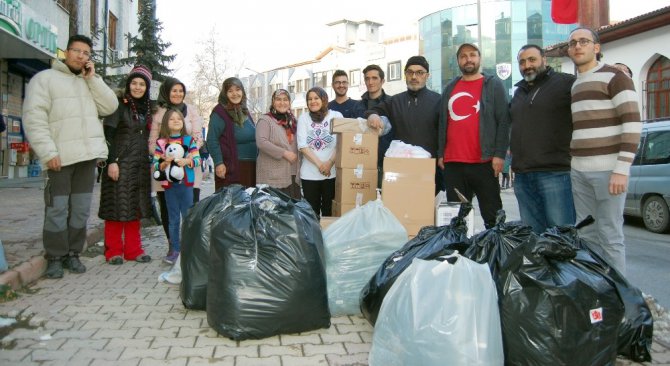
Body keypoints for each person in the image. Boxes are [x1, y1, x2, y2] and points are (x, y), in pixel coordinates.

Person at [22, 34, 118, 279]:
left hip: (86, 158)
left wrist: (93, 79)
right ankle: (54, 256)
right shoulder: (44, 80)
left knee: (80, 210)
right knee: (57, 208)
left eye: (86, 53)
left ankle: (73, 254)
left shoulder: (89, 82)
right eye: (77, 51)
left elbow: (110, 107)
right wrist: (48, 152)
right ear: (66, 52)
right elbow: (35, 118)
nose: (81, 56)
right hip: (60, 159)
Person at [567, 27, 642, 274]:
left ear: (596, 48)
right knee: (586, 234)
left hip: (609, 172)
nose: (577, 46)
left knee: (610, 235)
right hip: (579, 172)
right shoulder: (576, 84)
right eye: (573, 43)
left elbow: (631, 124)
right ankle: (596, 290)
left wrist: (621, 169)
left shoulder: (615, 77)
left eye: (583, 41)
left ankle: (621, 298)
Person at [437, 43, 510, 229]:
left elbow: (504, 121)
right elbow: (442, 122)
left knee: (493, 216)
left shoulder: (493, 85)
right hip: (453, 163)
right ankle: (460, 255)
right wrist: (440, 153)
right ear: (458, 61)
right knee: (457, 220)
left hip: (484, 162)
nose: (468, 59)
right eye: (463, 56)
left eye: (472, 55)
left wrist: (499, 154)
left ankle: (496, 254)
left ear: (479, 59)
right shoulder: (450, 88)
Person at [509, 44, 576, 233]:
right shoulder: (519, 92)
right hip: (523, 176)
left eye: (532, 60)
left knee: (561, 237)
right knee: (533, 237)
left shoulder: (565, 83)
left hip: (554, 174)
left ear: (544, 61)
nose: (527, 65)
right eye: (522, 62)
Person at [98, 65, 154, 265]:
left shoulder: (147, 109)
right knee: (116, 207)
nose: (138, 87)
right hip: (119, 164)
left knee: (135, 209)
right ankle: (113, 251)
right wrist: (111, 161)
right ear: (128, 84)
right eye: (134, 83)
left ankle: (133, 250)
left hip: (139, 166)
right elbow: (109, 134)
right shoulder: (118, 105)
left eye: (142, 84)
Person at [366, 56, 442, 190]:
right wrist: (373, 116)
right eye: (410, 72)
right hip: (400, 168)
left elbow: (446, 132)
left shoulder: (438, 101)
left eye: (419, 72)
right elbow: (373, 110)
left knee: (427, 208)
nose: (414, 76)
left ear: (427, 76)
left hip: (430, 168)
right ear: (405, 75)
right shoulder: (395, 101)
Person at [148, 77, 203, 258]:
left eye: (181, 90)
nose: (178, 94)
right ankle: (173, 245)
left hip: (188, 171)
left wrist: (187, 156)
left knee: (190, 210)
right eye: (174, 90)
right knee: (168, 211)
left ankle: (189, 246)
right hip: (166, 174)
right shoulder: (158, 113)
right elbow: (152, 142)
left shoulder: (192, 111)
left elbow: (197, 137)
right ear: (166, 91)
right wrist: (164, 156)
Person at [152, 109, 200, 265]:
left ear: (183, 122)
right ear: (166, 122)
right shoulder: (161, 143)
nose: (175, 121)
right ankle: (175, 250)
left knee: (187, 217)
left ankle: (189, 249)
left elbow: (197, 159)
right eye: (171, 119)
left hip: (186, 185)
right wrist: (164, 163)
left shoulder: (189, 140)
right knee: (173, 219)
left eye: (179, 118)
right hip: (169, 186)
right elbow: (155, 164)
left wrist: (187, 162)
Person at [297, 87, 343, 217]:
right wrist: (321, 165)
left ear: (324, 99)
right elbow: (302, 146)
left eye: (316, 98)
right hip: (309, 175)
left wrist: (329, 163)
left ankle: (327, 237)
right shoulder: (303, 118)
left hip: (331, 173)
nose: (313, 101)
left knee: (329, 211)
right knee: (311, 213)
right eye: (309, 99)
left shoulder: (336, 116)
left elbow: (341, 144)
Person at [207, 77, 258, 191]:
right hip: (232, 168)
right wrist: (219, 163)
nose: (235, 94)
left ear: (242, 91)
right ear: (225, 94)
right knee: (234, 204)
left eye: (238, 89)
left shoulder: (244, 110)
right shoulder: (219, 112)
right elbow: (212, 140)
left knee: (248, 204)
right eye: (230, 91)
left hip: (250, 167)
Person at [255, 89, 301, 199]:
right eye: (278, 99)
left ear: (289, 103)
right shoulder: (265, 120)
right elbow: (261, 142)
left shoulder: (293, 122)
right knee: (274, 212)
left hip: (292, 175)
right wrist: (285, 153)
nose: (282, 103)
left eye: (285, 100)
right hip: (272, 177)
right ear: (273, 102)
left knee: (291, 212)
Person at [360, 64, 393, 187]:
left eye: (374, 78)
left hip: (386, 163)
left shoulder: (392, 103)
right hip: (361, 162)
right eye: (367, 78)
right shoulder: (358, 106)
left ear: (382, 81)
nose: (370, 81)